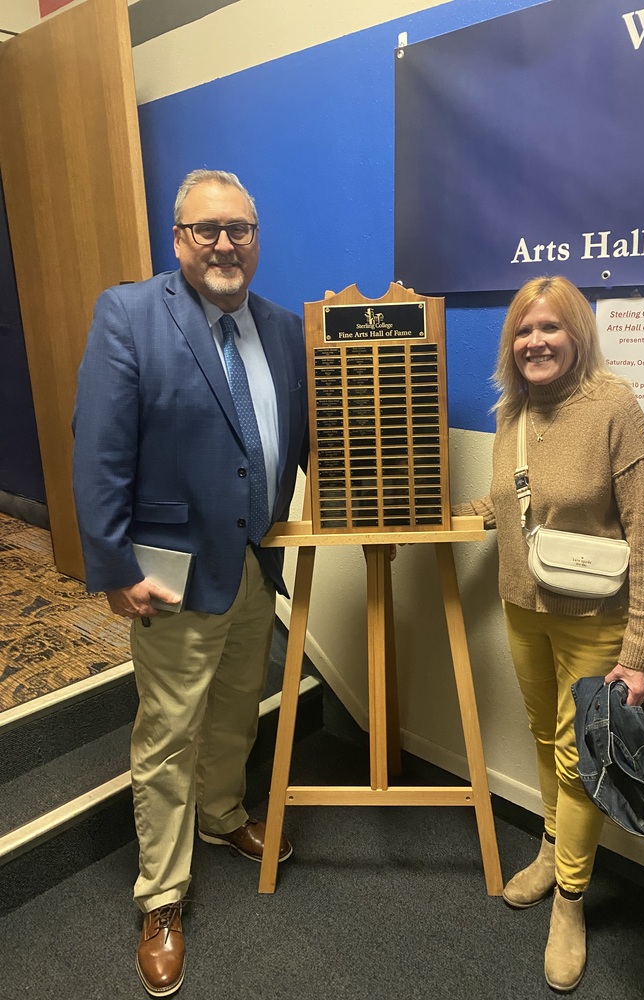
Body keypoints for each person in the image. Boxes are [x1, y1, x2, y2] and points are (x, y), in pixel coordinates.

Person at [72, 169, 308, 997]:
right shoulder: (130, 314)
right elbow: (99, 446)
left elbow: (300, 436)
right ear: (178, 239)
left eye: (239, 229)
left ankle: (221, 815)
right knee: (168, 731)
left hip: (255, 559)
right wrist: (112, 564)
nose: (224, 244)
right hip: (170, 571)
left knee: (240, 703)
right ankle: (162, 895)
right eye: (206, 229)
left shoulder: (283, 328)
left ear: (255, 238)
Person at [455, 276, 644, 992]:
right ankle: (551, 850)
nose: (535, 341)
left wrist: (641, 652)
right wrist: (451, 516)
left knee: (581, 760)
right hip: (523, 607)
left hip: (595, 621)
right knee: (545, 737)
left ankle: (570, 901)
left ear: (577, 333)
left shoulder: (614, 407)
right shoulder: (512, 411)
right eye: (523, 330)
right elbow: (515, 500)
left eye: (549, 328)